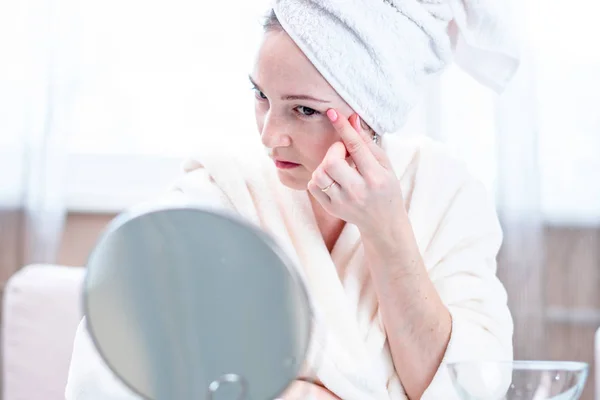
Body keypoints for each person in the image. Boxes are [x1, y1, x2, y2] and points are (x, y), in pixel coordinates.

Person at [66, 1, 519, 399]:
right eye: (261, 96)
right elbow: (105, 374)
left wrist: (387, 233)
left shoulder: (445, 193)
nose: (269, 135)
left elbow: (471, 387)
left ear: (373, 111)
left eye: (303, 110)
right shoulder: (217, 195)